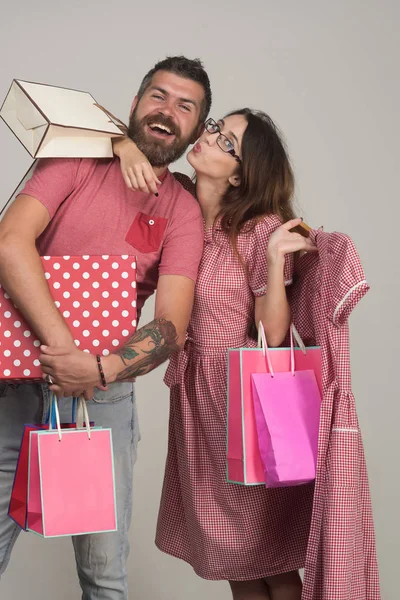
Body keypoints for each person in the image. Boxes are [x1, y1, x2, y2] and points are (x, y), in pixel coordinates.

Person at [0, 56, 212, 599]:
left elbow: (170, 326)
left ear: (193, 130)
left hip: (105, 396)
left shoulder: (182, 210)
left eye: (185, 106)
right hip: (15, 384)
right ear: (135, 105)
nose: (168, 111)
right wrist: (64, 351)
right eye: (158, 96)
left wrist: (95, 370)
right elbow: (9, 243)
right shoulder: (74, 160)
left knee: (104, 575)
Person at [106, 110, 317, 599]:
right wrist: (124, 146)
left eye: (228, 141)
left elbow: (274, 332)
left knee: (271, 560)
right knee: (230, 556)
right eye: (216, 126)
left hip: (246, 402)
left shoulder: (260, 228)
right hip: (195, 401)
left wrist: (272, 259)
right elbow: (104, 134)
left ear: (241, 172)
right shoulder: (174, 201)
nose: (210, 136)